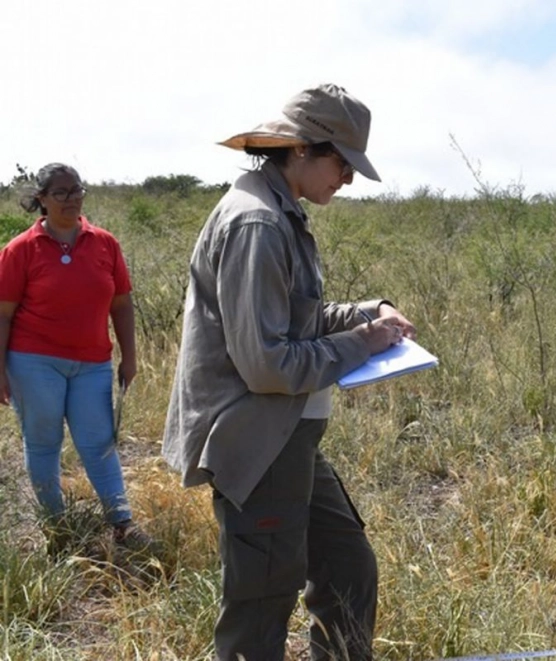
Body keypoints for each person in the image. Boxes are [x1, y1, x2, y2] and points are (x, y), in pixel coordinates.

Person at [163, 83, 415, 661]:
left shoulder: (280, 210)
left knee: (348, 568)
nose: (347, 179)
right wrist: (362, 341)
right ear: (299, 149)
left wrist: (367, 313)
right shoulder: (258, 224)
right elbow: (268, 365)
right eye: (341, 163)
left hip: (287, 433)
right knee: (260, 607)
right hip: (257, 439)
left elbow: (294, 318)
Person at [0, 163, 155, 554]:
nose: (71, 199)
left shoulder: (104, 243)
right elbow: (3, 313)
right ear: (42, 200)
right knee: (43, 442)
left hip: (92, 362)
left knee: (99, 443)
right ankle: (57, 527)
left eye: (77, 190)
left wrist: (130, 358)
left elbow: (121, 304)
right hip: (34, 361)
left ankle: (122, 523)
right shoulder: (21, 249)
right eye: (61, 193)